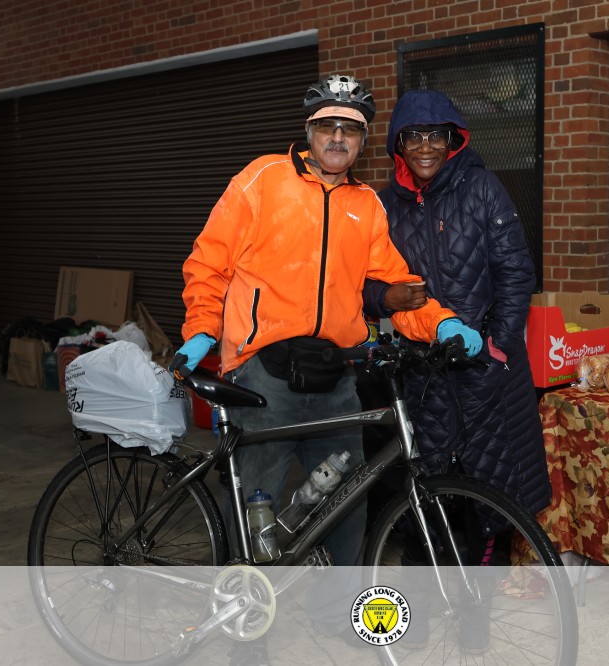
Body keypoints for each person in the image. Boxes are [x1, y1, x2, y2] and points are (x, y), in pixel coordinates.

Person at [173, 75, 482, 666]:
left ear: (363, 140)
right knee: (255, 506)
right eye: (327, 126)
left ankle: (338, 616)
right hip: (263, 376)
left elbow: (395, 285)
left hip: (338, 376)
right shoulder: (261, 180)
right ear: (309, 130)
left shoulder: (365, 206)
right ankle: (245, 631)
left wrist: (441, 323)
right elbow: (209, 263)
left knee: (346, 504)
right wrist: (201, 331)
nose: (338, 138)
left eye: (351, 129)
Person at [365, 88, 550, 535]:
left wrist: (498, 346)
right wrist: (385, 299)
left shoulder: (481, 188)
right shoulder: (384, 206)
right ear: (398, 144)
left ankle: (486, 576)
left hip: (487, 367)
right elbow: (364, 285)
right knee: (431, 495)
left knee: (499, 496)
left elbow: (516, 273)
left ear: (453, 140)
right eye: (413, 136)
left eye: (437, 135)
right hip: (423, 373)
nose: (425, 147)